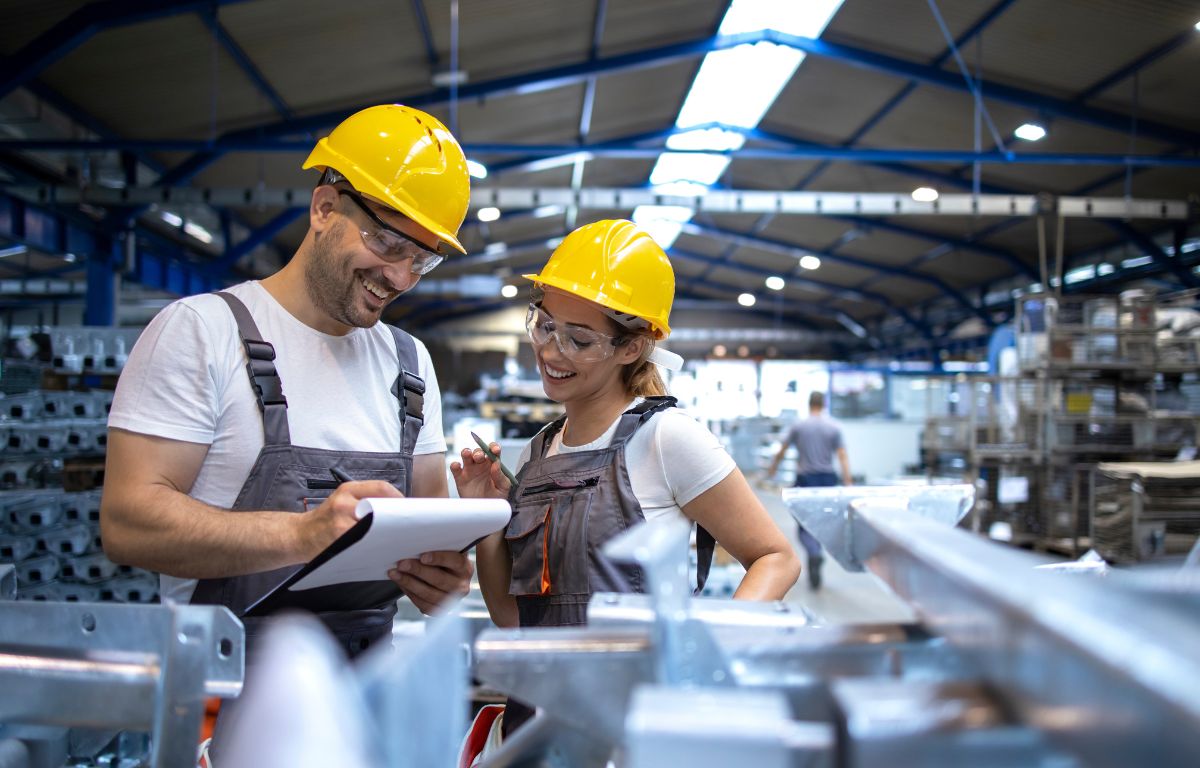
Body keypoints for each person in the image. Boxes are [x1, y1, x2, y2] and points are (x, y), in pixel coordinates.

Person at [99, 105, 475, 750]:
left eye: (424, 259)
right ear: (325, 207)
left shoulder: (410, 364)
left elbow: (431, 529)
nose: (402, 277)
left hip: (362, 721)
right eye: (388, 243)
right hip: (219, 722)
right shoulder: (203, 332)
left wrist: (444, 579)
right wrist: (302, 534)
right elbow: (128, 523)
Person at [452, 219, 801, 738]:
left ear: (632, 347)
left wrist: (701, 654)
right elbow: (511, 618)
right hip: (538, 730)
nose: (551, 352)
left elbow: (777, 558)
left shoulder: (666, 438)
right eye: (545, 325)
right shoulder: (535, 455)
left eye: (579, 339)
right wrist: (486, 519)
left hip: (635, 729)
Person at [766, 391, 852, 590]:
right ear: (824, 404)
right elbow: (842, 455)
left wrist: (773, 468)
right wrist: (848, 481)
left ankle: (813, 552)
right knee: (823, 521)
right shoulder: (833, 427)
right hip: (828, 480)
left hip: (805, 479)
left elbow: (783, 449)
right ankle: (817, 552)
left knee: (804, 524)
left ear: (809, 403)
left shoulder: (799, 426)